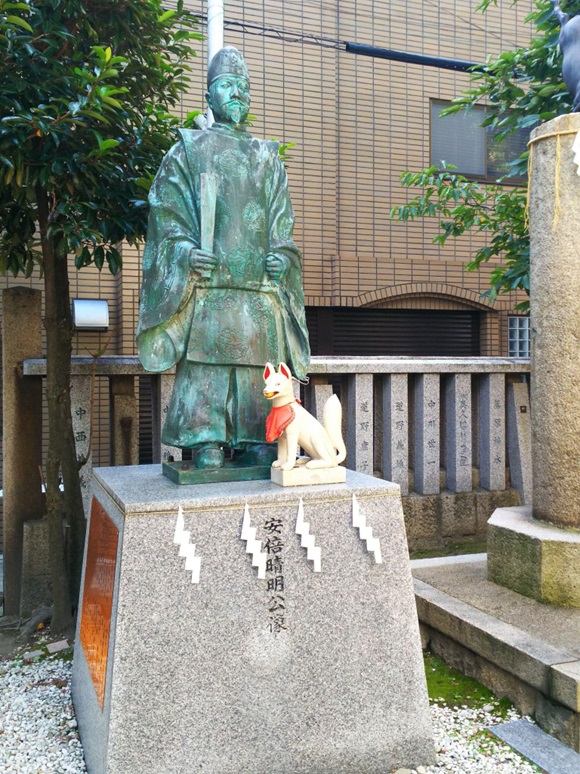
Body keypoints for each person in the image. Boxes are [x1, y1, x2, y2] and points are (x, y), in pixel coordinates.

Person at [137, 47, 310, 469]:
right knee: (206, 372)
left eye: (244, 88)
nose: (238, 94)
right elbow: (166, 215)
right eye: (228, 86)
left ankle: (258, 438)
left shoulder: (268, 159)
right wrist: (185, 253)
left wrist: (282, 258)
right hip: (211, 291)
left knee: (260, 375)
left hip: (259, 295)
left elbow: (282, 227)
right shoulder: (187, 150)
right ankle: (205, 440)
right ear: (209, 94)